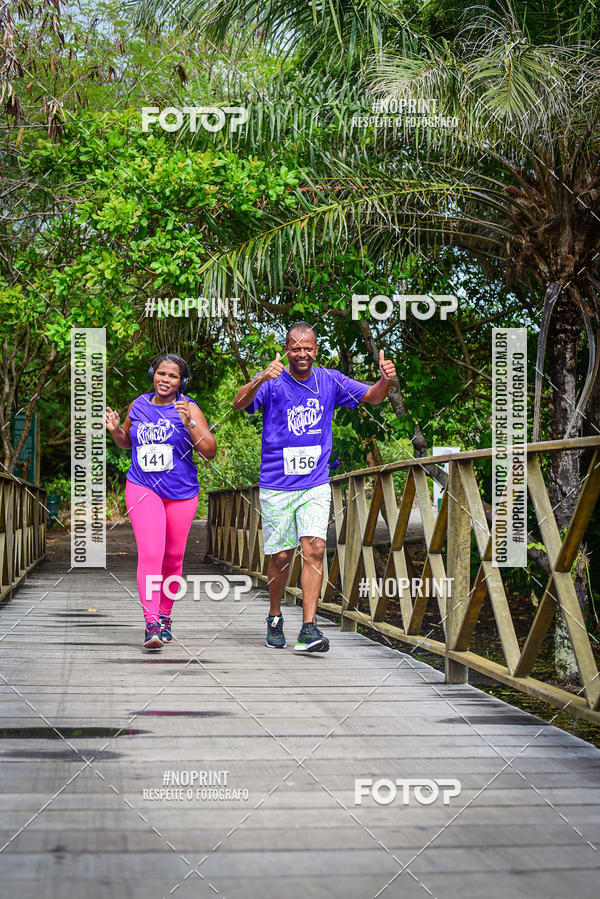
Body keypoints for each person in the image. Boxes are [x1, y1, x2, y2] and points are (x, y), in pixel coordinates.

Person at [232, 322, 396, 653]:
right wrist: (261, 377)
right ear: (287, 349)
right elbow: (238, 404)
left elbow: (374, 397)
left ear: (316, 349)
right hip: (277, 483)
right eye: (295, 348)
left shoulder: (329, 380)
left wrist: (386, 379)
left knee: (315, 549)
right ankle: (275, 616)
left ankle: (309, 628)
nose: (302, 354)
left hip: (315, 482)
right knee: (280, 556)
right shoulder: (273, 380)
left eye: (308, 348)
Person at [105, 354, 216, 650]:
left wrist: (189, 423)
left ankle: (165, 616)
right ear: (153, 374)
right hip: (142, 487)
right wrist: (116, 430)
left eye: (173, 376)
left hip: (181, 492)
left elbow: (209, 451)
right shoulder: (139, 405)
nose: (165, 380)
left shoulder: (188, 407)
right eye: (161, 374)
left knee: (173, 558)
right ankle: (151, 621)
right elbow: (127, 441)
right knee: (151, 553)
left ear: (181, 382)